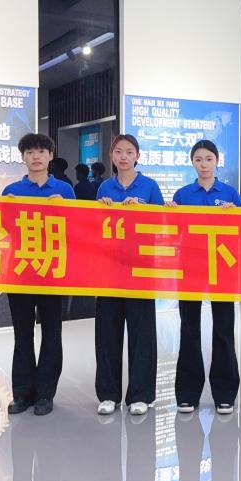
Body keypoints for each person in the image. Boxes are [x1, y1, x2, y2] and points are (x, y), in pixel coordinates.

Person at [167, 139, 241, 415]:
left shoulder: (231, 194)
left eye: (208, 159)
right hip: (190, 267)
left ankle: (225, 393)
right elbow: (172, 233)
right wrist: (169, 214)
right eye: (198, 159)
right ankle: (187, 393)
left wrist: (236, 215)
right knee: (189, 329)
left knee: (223, 328)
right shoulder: (183, 194)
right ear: (192, 162)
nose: (204, 164)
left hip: (222, 266)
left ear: (217, 162)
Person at [2, 133, 75, 416]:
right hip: (20, 271)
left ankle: (45, 393)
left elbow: (77, 231)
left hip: (53, 271)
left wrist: (65, 209)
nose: (36, 157)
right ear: (23, 157)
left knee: (52, 333)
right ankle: (22, 393)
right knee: (22, 334)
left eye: (41, 151)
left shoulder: (65, 190)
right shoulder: (11, 190)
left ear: (50, 156)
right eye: (30, 152)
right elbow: (2, 232)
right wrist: (6, 210)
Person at [94, 134, 162, 416]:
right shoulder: (104, 187)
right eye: (119, 152)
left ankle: (140, 395)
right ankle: (108, 394)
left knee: (142, 333)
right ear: (112, 156)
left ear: (138, 156)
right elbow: (94, 229)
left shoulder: (149, 186)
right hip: (109, 270)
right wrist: (102, 210)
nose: (124, 156)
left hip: (141, 271)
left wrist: (143, 210)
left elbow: (162, 224)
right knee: (107, 333)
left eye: (129, 152)